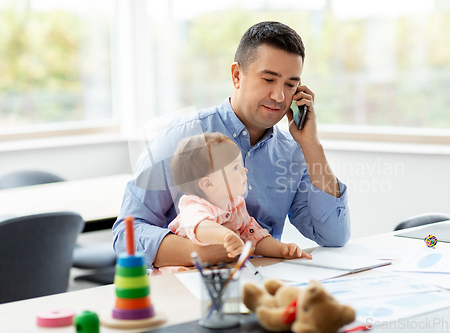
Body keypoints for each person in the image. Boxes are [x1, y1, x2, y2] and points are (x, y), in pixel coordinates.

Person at [113, 21, 351, 269]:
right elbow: (127, 235)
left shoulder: (292, 153)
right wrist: (213, 251)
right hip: (189, 286)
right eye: (269, 79)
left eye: (290, 85)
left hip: (263, 288)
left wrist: (311, 145)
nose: (279, 96)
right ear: (237, 75)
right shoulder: (181, 138)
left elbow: (334, 236)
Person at [168, 132, 311, 263]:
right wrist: (226, 236)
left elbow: (254, 237)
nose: (245, 170)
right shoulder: (193, 206)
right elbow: (200, 227)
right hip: (183, 275)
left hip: (218, 274)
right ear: (208, 183)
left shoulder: (236, 205)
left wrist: (282, 249)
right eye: (235, 167)